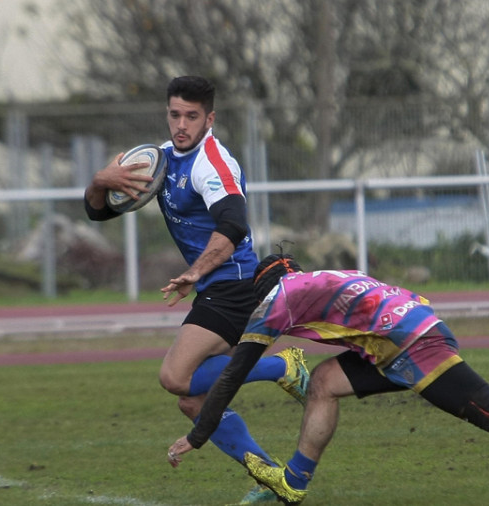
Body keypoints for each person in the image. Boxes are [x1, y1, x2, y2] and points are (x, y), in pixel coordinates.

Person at [167, 253, 489, 504]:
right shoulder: (323, 275)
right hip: (404, 333)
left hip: (412, 344)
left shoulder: (277, 299)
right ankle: (293, 482)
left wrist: (198, 433)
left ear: (264, 288)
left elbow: (233, 374)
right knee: (327, 382)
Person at [84, 76, 310, 504]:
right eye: (174, 115)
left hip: (236, 284)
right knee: (194, 404)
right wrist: (101, 180)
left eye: (191, 116)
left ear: (210, 118)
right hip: (214, 285)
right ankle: (272, 479)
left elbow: (234, 224)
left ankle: (282, 367)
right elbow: (97, 214)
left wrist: (196, 271)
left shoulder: (213, 163)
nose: (181, 124)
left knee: (175, 377)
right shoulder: (160, 160)